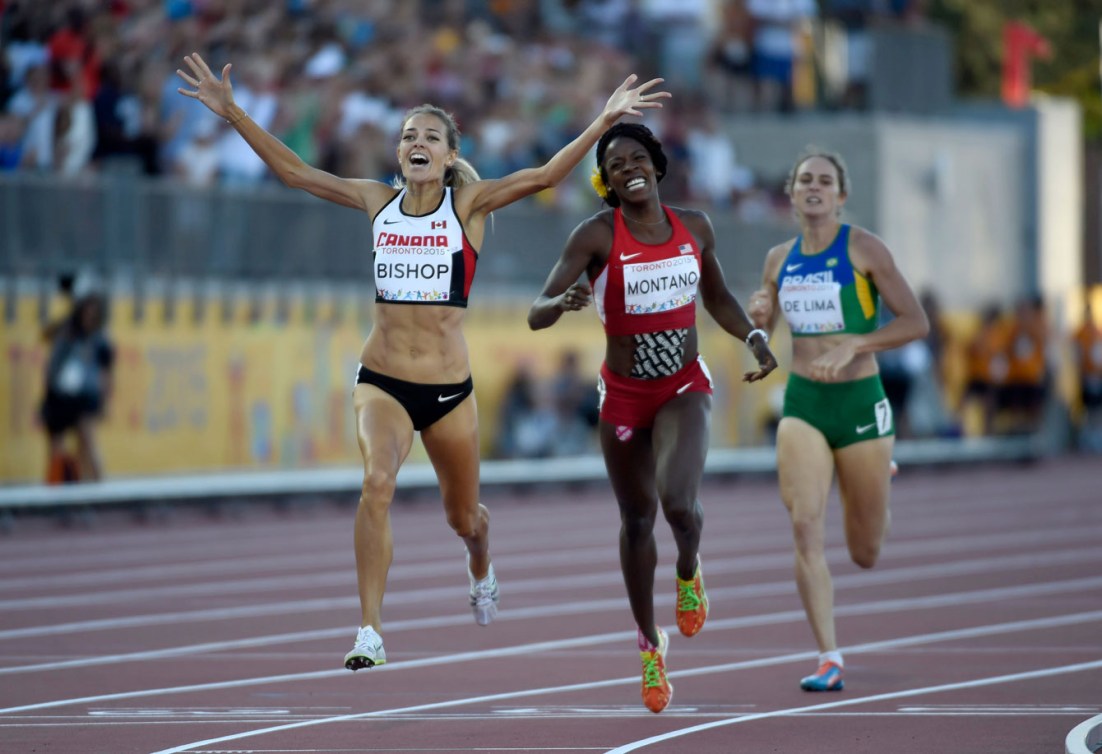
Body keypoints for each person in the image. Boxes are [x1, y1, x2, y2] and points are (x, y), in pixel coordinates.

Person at [177, 52, 670, 671]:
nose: (418, 142)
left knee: (463, 518)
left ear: (446, 154)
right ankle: (369, 631)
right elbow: (297, 173)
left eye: (430, 137)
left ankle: (481, 560)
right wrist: (233, 114)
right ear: (398, 153)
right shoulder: (374, 201)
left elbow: (545, 176)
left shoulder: (469, 208)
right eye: (408, 135)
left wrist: (601, 123)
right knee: (376, 485)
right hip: (381, 379)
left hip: (448, 393)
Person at [527, 122, 777, 713]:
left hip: (683, 386)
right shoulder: (594, 236)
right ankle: (649, 646)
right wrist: (561, 304)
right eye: (615, 165)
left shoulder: (695, 227)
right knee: (636, 523)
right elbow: (536, 313)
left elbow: (716, 298)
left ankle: (689, 571)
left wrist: (755, 338)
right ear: (606, 181)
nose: (628, 168)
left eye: (637, 157)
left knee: (679, 505)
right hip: (623, 397)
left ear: (657, 165)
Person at [747, 148, 928, 692]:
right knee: (805, 525)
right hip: (804, 402)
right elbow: (765, 331)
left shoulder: (865, 248)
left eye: (825, 181)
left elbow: (916, 322)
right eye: (805, 179)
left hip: (860, 402)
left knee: (864, 551)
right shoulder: (779, 258)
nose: (814, 187)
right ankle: (829, 656)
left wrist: (858, 343)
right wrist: (758, 320)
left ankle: (874, 483)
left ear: (841, 195)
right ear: (792, 191)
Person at [40, 287, 115, 484]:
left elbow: (107, 372)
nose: (89, 316)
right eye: (86, 311)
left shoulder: (100, 339)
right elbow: (46, 335)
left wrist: (106, 400)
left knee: (87, 441)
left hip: (85, 395)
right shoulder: (67, 330)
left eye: (94, 312)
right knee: (56, 445)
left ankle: (97, 484)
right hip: (59, 394)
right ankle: (57, 484)